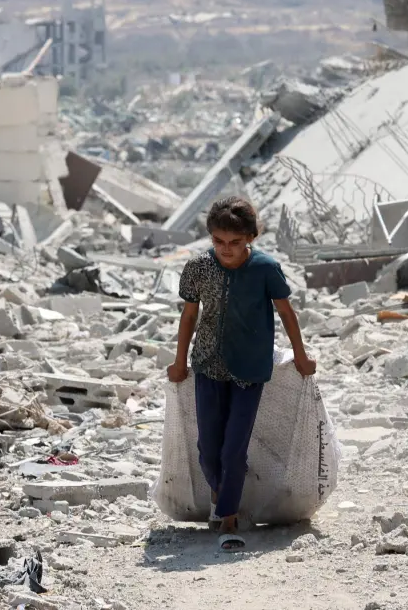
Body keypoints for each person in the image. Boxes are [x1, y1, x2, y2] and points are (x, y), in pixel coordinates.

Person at [167, 196, 316, 552]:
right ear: (211, 238)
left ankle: (229, 518)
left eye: (235, 242)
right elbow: (189, 316)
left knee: (234, 448)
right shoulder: (198, 269)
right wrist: (179, 360)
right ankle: (222, 495)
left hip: (250, 369)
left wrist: (300, 355)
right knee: (208, 448)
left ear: (250, 237)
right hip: (207, 364)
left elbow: (286, 313)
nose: (226, 250)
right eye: (219, 241)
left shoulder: (266, 268)